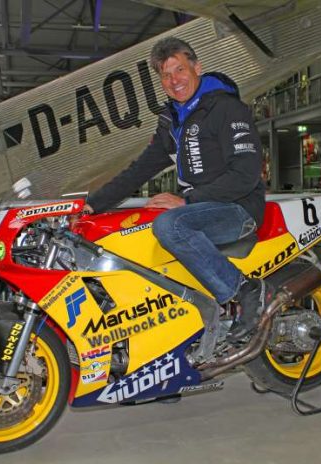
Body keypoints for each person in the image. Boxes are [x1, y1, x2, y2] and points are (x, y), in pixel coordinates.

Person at [85, 37, 271, 342]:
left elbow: (246, 174)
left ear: (197, 67)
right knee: (134, 227)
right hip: (201, 210)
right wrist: (92, 205)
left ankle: (246, 291)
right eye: (166, 75)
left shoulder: (227, 108)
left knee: (170, 225)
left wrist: (186, 200)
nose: (175, 80)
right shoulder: (172, 120)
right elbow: (140, 170)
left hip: (238, 208)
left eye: (180, 70)